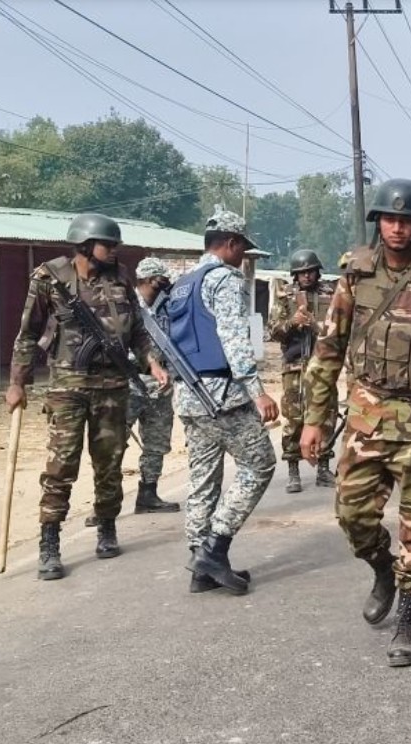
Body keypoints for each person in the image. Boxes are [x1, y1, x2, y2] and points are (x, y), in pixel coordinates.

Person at [299, 178, 411, 668]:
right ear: (378, 222)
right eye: (390, 219)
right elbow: (328, 348)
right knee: (352, 515)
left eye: (407, 221)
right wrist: (314, 420)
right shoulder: (355, 275)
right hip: (365, 415)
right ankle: (382, 567)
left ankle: (406, 618)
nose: (397, 228)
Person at [7, 213, 169, 581]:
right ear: (84, 244)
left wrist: (152, 362)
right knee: (61, 467)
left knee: (110, 462)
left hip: (112, 386)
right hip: (67, 387)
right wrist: (18, 382)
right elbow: (28, 333)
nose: (113, 251)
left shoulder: (121, 279)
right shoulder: (50, 278)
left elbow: (139, 332)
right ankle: (49, 543)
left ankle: (107, 527)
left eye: (114, 246)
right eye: (107, 245)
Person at [168, 207, 279, 595]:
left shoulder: (183, 283)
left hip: (189, 396)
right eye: (242, 249)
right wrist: (258, 391)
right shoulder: (224, 281)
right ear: (230, 244)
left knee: (202, 481)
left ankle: (201, 568)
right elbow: (234, 339)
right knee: (260, 465)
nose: (243, 257)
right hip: (223, 396)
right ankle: (214, 550)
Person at [269, 249, 336, 493]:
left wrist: (317, 327)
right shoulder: (286, 296)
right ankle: (293, 471)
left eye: (310, 271)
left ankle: (324, 468)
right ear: (295, 275)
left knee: (326, 415)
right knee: (294, 419)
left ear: (318, 271)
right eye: (301, 273)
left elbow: (339, 327)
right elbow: (273, 331)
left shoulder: (331, 294)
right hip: (294, 366)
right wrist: (292, 323)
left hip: (323, 365)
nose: (306, 276)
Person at [123, 257, 182, 514]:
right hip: (130, 382)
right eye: (161, 281)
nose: (164, 286)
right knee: (113, 443)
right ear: (147, 280)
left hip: (160, 384)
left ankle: (148, 494)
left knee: (156, 441)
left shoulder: (166, 308)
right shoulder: (126, 307)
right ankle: (105, 503)